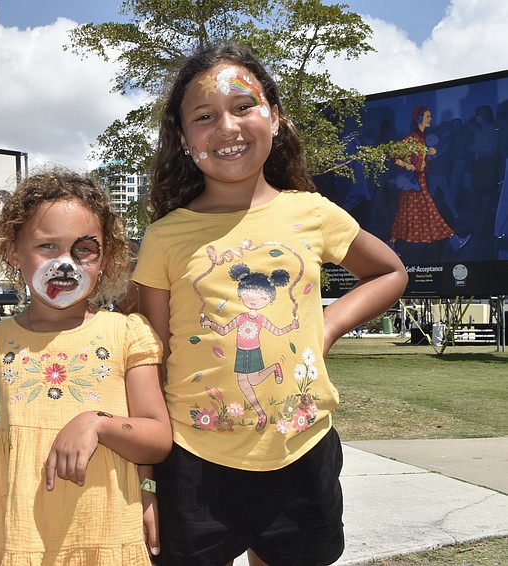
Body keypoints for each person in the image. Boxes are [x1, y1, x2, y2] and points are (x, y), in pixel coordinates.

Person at [132, 44, 408, 566]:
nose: (228, 126)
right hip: (195, 459)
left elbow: (390, 272)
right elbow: (152, 356)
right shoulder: (165, 237)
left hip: (303, 450)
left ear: (275, 118)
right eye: (205, 116)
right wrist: (147, 480)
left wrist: (328, 326)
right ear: (184, 138)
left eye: (244, 106)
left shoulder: (313, 213)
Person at [0, 169, 172, 565]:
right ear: (12, 253)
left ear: (105, 257)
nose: (66, 264)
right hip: (20, 545)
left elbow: (157, 436)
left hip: (109, 539)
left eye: (83, 249)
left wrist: (98, 423)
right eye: (48, 247)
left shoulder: (126, 333)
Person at [389, 106, 469, 253]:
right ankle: (453, 239)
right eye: (428, 117)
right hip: (413, 181)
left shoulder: (421, 139)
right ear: (419, 119)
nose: (430, 119)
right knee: (425, 211)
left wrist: (430, 155)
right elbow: (393, 156)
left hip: (420, 180)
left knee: (409, 213)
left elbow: (421, 160)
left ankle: (392, 244)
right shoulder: (411, 138)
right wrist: (406, 165)